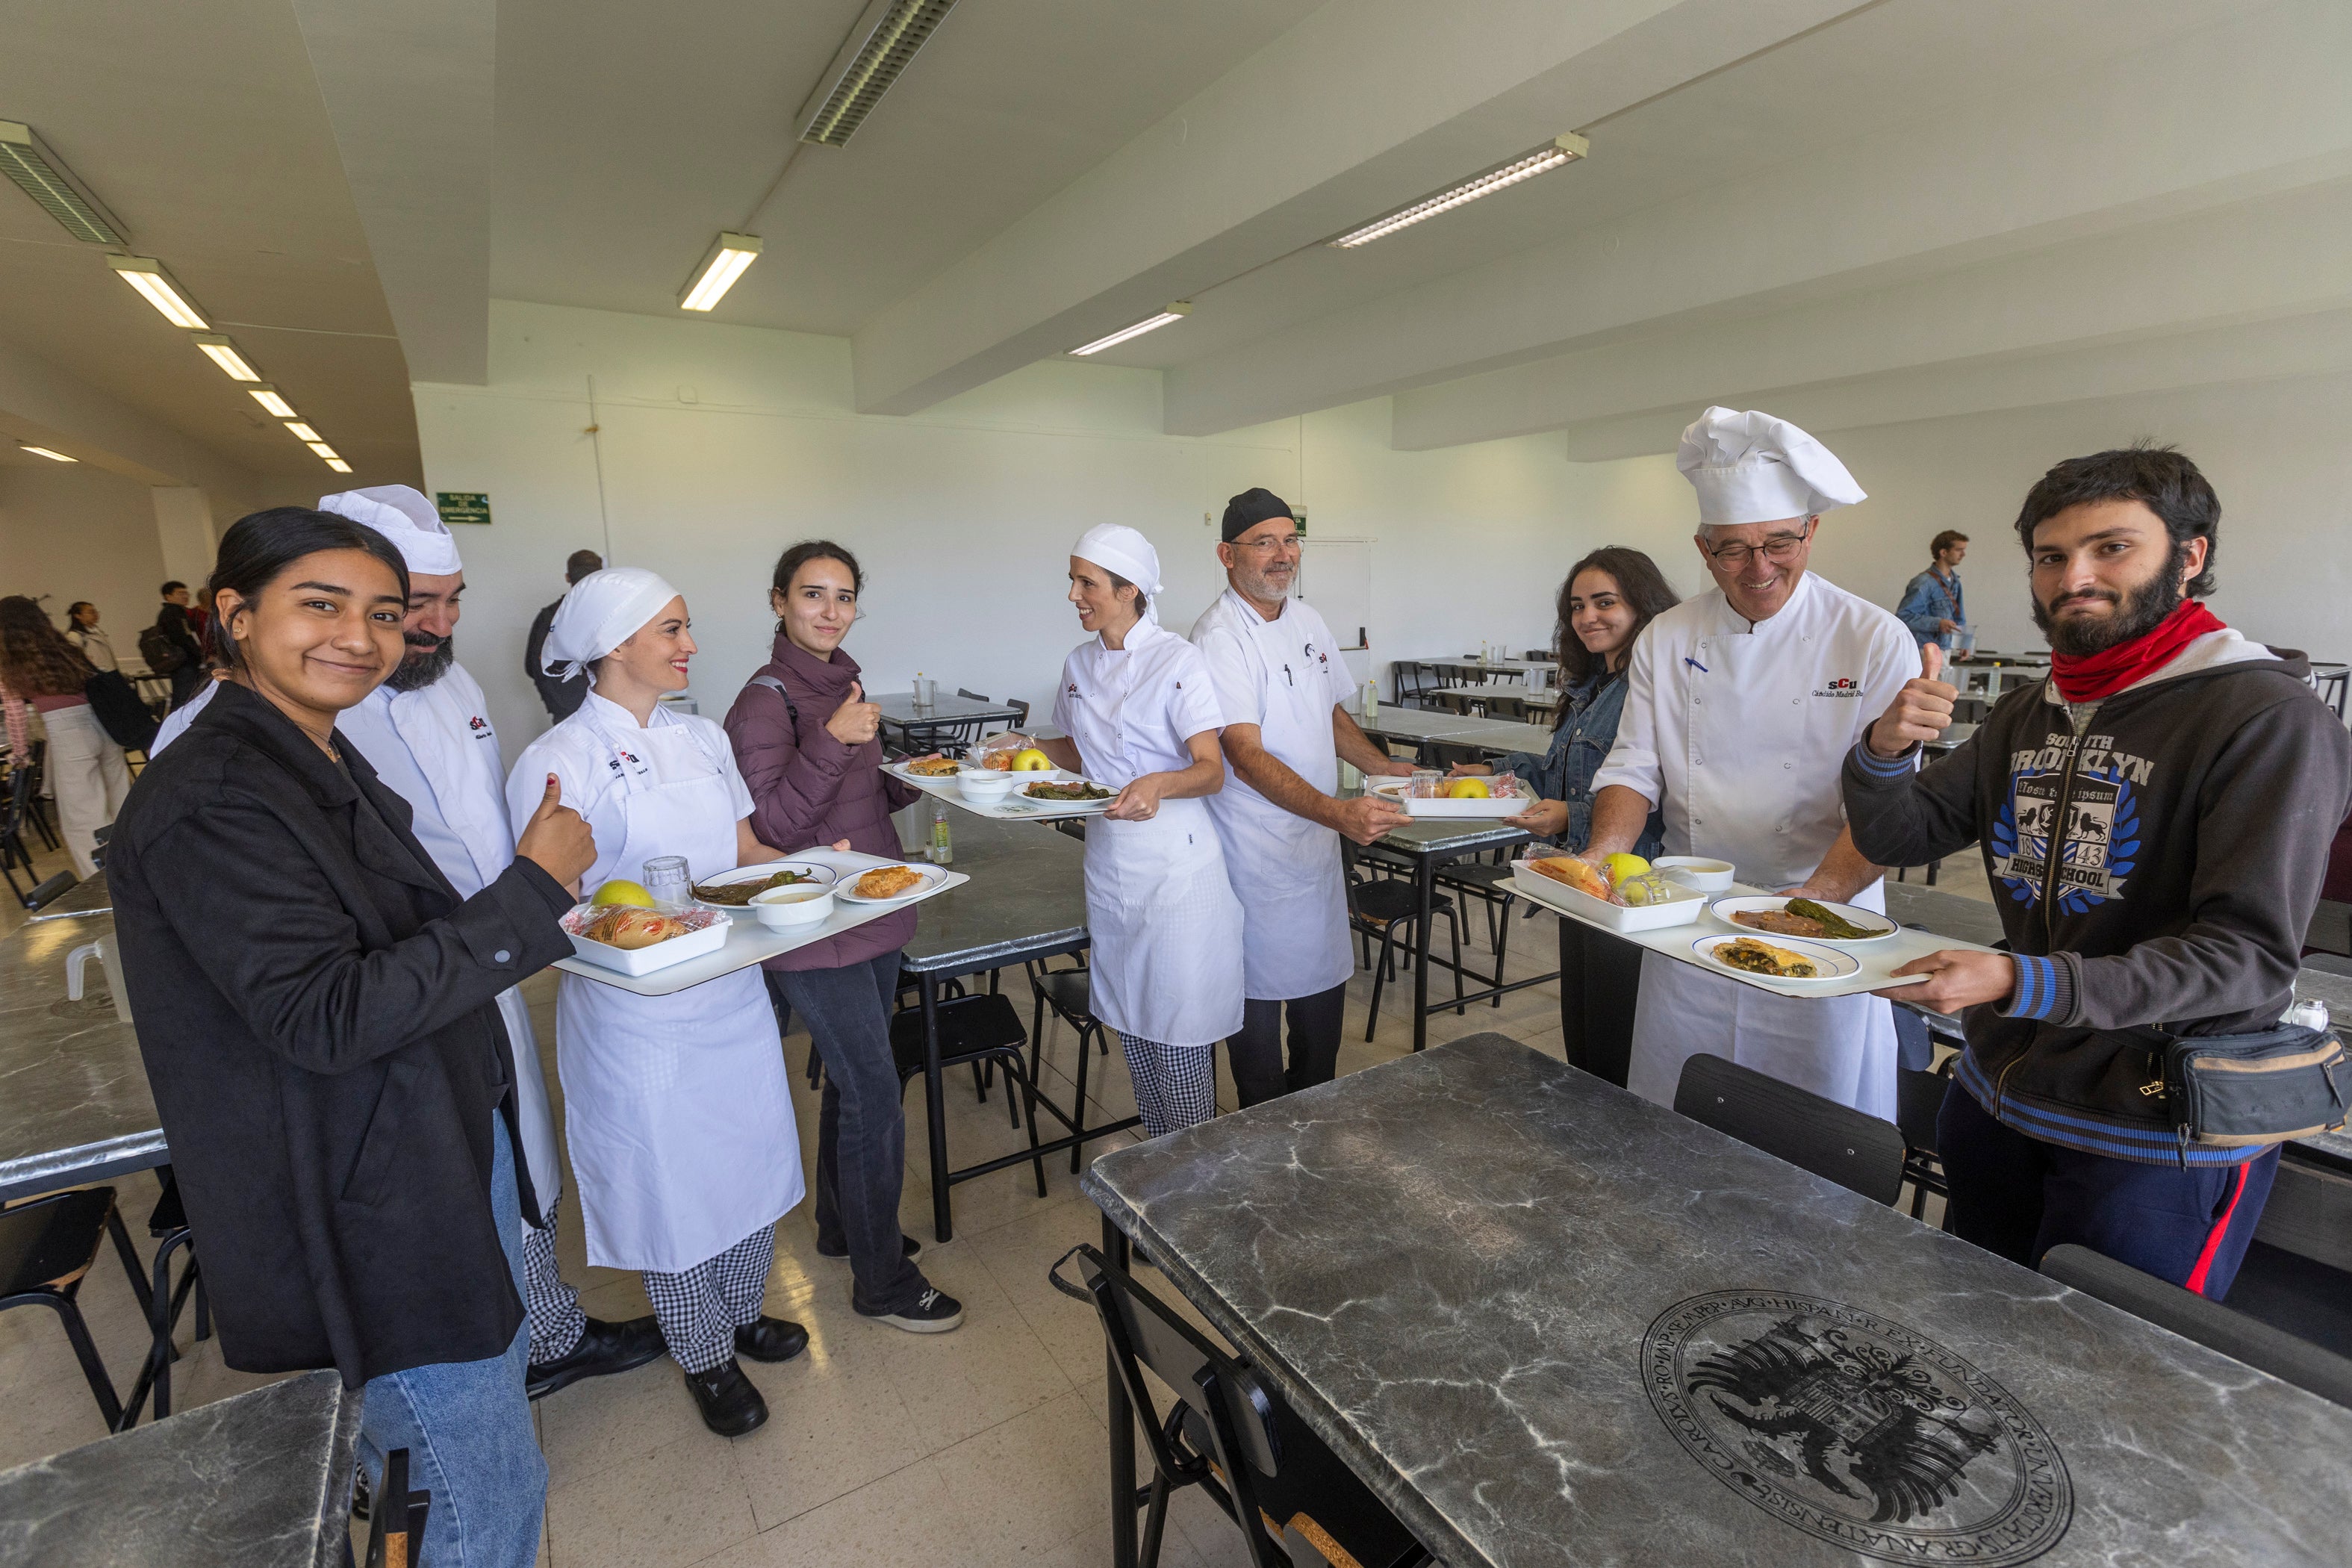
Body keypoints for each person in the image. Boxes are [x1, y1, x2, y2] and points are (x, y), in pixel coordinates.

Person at [108, 506, 597, 1568]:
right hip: (370, 1199)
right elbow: (323, 1013)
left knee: (453, 1470)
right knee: (477, 1494)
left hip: (425, 1143)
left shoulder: (309, 751)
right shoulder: (215, 794)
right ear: (236, 615)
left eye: (382, 613)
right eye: (320, 605)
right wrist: (531, 891)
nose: (360, 638)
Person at [1844, 445, 2352, 1296]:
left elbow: (2246, 958)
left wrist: (2023, 980)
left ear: (2188, 556)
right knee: (1972, 1325)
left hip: (2154, 1133)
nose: (2073, 577)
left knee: (2104, 1359)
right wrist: (1884, 751)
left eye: (2111, 548)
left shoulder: (2266, 719)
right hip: (2002, 1096)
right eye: (2050, 556)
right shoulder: (2030, 710)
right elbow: (1902, 834)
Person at [320, 487, 662, 1399]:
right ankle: (494, 1361)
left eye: (452, 601)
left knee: (516, 1148)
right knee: (455, 1178)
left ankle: (549, 1330)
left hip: (492, 959)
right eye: (413, 606)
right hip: (407, 986)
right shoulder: (314, 715)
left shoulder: (455, 684)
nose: (438, 625)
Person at [508, 567, 808, 1437]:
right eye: (671, 630)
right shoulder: (556, 761)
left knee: (750, 1160)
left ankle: (741, 1311)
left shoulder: (704, 738)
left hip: (731, 992)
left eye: (686, 628)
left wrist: (824, 873)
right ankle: (703, 1352)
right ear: (613, 645)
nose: (691, 646)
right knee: (671, 1186)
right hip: (637, 1018)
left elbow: (744, 849)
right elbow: (546, 904)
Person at [1586, 406, 1919, 1120]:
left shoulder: (1872, 638)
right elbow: (1634, 764)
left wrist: (1813, 905)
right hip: (1690, 913)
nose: (1759, 568)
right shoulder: (1668, 636)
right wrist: (1601, 856)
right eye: (1733, 550)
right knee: (1679, 1106)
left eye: (1779, 543)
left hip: (1823, 913)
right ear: (1703, 550)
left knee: (1811, 1120)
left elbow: (1889, 807)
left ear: (1811, 532)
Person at [725, 540, 963, 1333]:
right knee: (873, 1094)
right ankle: (881, 1282)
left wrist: (920, 774)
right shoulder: (763, 704)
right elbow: (773, 829)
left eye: (844, 596)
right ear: (779, 601)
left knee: (854, 1085)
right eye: (812, 594)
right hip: (811, 926)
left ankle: (841, 1227)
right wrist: (832, 738)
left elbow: (856, 799)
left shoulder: (843, 683)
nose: (830, 611)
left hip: (869, 911)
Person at [1187, 488, 1411, 1108]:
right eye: (1265, 543)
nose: (1283, 555)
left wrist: (1381, 767)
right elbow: (1244, 754)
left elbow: (1328, 710)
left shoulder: (1307, 621)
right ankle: (1263, 1127)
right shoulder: (1217, 637)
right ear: (1227, 555)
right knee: (1257, 1004)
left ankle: (1316, 1115)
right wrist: (1338, 812)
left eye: (1291, 540)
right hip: (1252, 853)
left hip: (1313, 846)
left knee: (1321, 998)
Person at [1032, 524, 1242, 1138]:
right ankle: (1159, 1156)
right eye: (1073, 581)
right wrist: (1023, 747)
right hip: (1110, 863)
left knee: (1177, 1028)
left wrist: (1158, 784)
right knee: (1132, 1020)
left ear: (1129, 591)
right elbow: (1077, 751)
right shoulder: (1078, 664)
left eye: (1087, 583)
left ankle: (1191, 1163)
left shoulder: (1178, 661)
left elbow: (1210, 770)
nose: (1074, 595)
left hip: (1177, 871)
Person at [1452, 547, 1679, 1086]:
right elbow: (1569, 774)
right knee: (1584, 1027)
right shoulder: (1593, 686)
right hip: (1581, 874)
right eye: (1577, 607)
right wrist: (1495, 771)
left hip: (1632, 881)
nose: (1587, 617)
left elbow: (1659, 799)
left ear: (1643, 606)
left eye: (1605, 602)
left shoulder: (1647, 689)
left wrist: (1569, 818)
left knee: (1617, 1037)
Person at [0, 596, 132, 876]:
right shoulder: (62, 646)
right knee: (122, 805)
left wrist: (20, 755)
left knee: (84, 820)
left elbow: (15, 715)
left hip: (68, 734)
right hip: (103, 726)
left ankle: (104, 885)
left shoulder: (10, 659)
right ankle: (139, 870)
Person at [526, 550, 603, 722]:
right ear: (601, 575)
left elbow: (533, 667)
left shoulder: (548, 617)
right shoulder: (612, 614)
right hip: (611, 710)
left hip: (566, 711)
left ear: (568, 577)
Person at [1895, 530, 1969, 650]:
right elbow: (1904, 617)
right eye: (1958, 550)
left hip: (1945, 648)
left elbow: (1959, 617)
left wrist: (1964, 644)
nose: (1963, 554)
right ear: (1943, 552)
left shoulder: (1955, 582)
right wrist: (1938, 623)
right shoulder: (1923, 583)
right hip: (1924, 649)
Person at [151, 581, 208, 706]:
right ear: (168, 596)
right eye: (180, 593)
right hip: (183, 662)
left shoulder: (180, 612)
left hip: (184, 661)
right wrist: (200, 655)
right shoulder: (172, 613)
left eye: (186, 593)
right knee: (184, 698)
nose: (185, 596)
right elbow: (182, 638)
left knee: (186, 697)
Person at [63, 602, 116, 671]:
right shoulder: (73, 636)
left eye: (95, 612)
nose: (95, 614)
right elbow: (72, 660)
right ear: (78, 616)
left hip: (110, 672)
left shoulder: (98, 632)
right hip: (95, 674)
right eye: (91, 612)